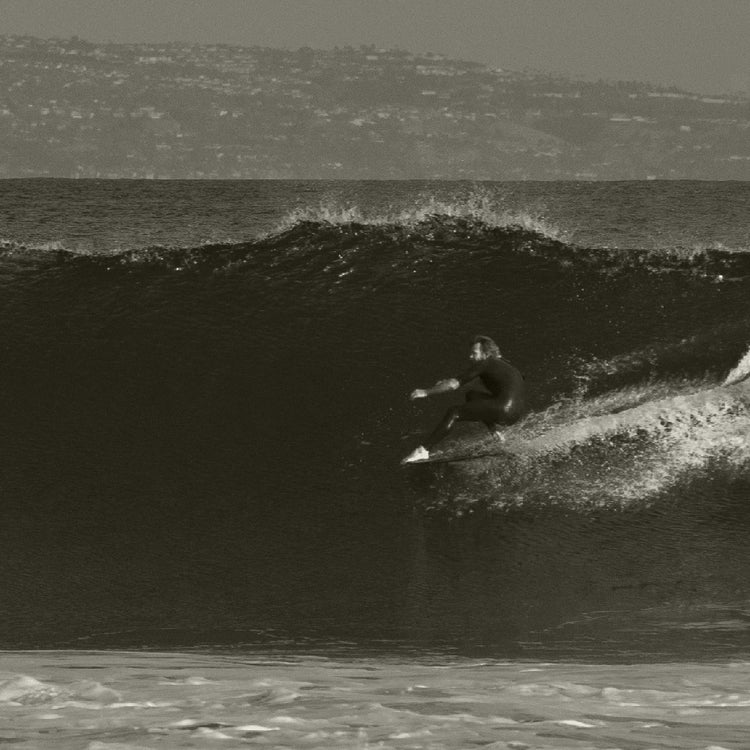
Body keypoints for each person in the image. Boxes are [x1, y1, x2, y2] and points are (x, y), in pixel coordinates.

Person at [401, 335, 525, 463]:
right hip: (515, 413)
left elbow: (453, 385)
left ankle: (423, 450)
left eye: (474, 353)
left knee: (454, 412)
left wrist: (426, 392)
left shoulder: (485, 363)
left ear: (486, 353)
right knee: (472, 395)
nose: (470, 357)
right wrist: (444, 383)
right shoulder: (504, 366)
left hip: (502, 408)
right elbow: (464, 383)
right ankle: (496, 433)